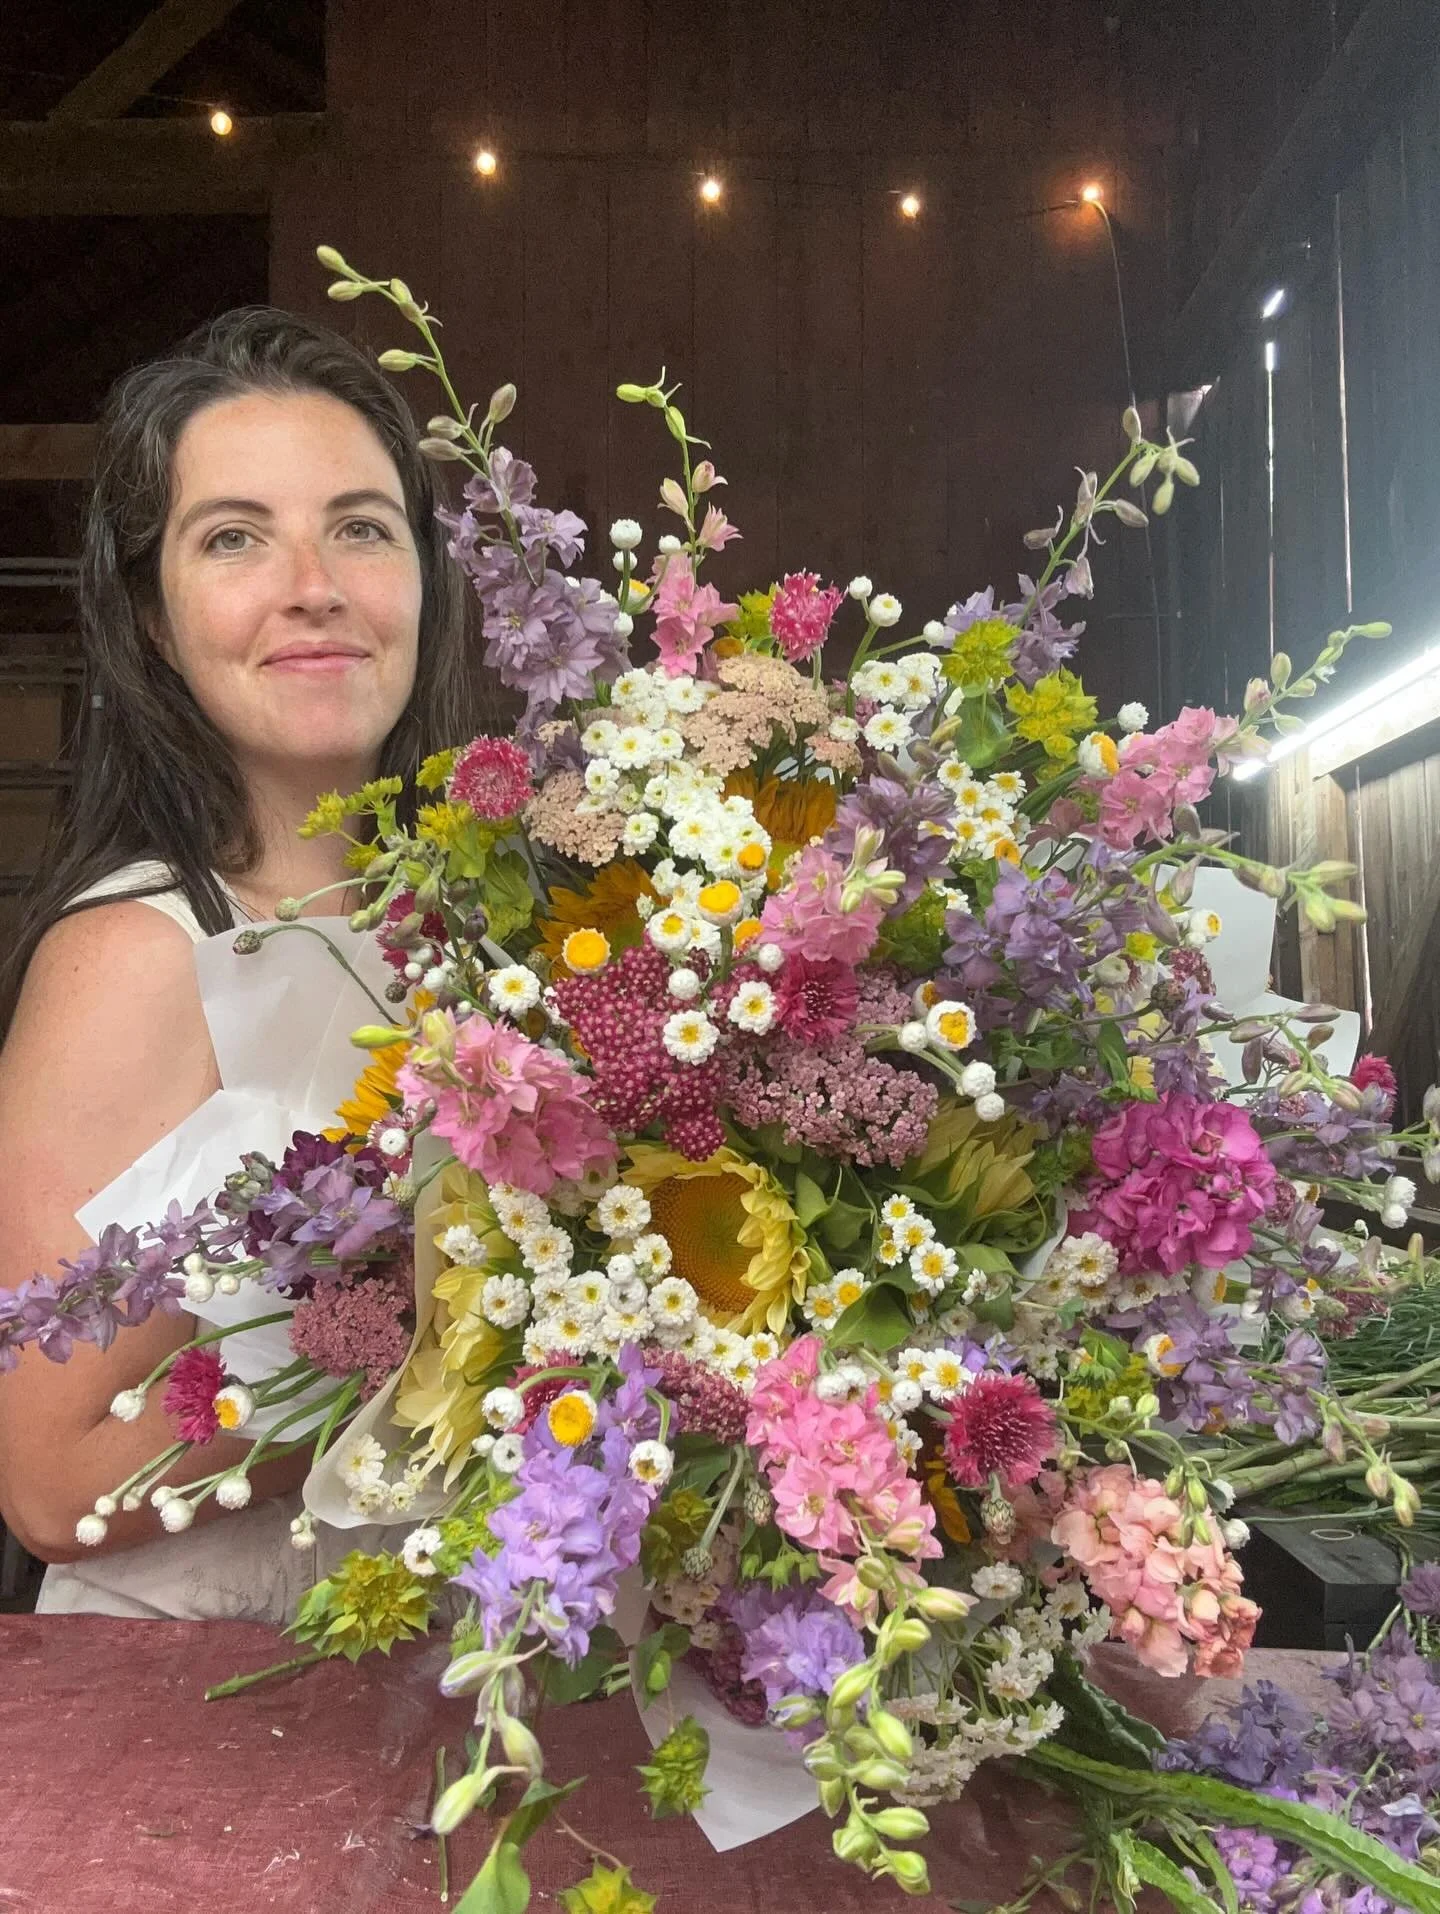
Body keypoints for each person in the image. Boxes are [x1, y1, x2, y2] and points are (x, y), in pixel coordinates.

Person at [0, 306, 481, 1619]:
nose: (311, 581)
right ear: (156, 619)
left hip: (479, 1691)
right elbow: (50, 1477)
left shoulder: (496, 926)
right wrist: (447, 1360)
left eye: (361, 527)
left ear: (424, 582)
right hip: (209, 1718)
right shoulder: (136, 954)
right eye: (234, 538)